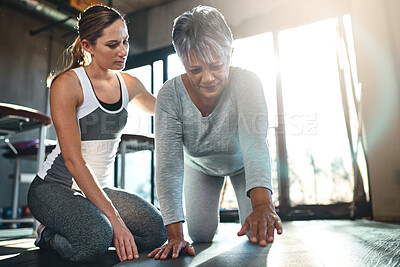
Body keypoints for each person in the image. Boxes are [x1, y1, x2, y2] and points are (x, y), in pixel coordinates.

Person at [27, 5, 167, 263]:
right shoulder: (68, 84)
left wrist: (198, 93)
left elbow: (164, 109)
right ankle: (48, 233)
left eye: (125, 41)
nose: (123, 50)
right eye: (112, 44)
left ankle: (94, 226)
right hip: (54, 188)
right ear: (87, 46)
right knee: (95, 239)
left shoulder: (129, 84)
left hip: (97, 191)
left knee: (155, 230)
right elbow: (73, 160)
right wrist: (115, 220)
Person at [148, 5, 283, 260]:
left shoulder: (247, 83)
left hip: (243, 163)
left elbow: (255, 143)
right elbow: (168, 166)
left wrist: (264, 205)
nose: (207, 78)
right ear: (182, 62)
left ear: (230, 55)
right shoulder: (169, 95)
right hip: (200, 166)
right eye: (195, 69)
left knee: (260, 234)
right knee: (200, 235)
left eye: (215, 66)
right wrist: (175, 234)